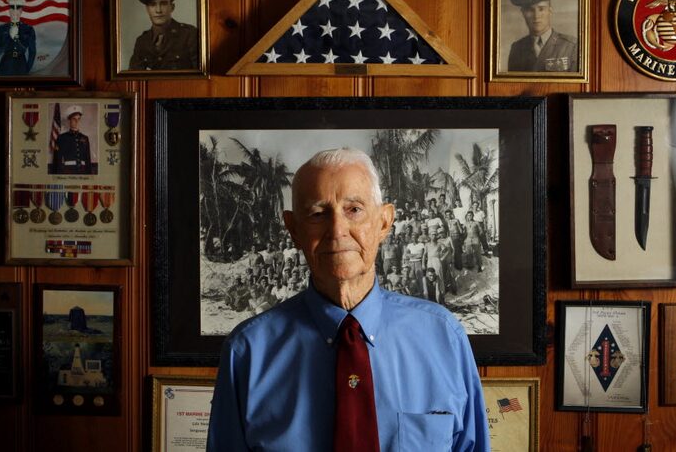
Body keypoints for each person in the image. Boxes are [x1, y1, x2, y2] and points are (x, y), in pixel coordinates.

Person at [208, 147, 489, 451]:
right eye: (317, 214)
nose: (337, 230)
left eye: (354, 209)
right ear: (293, 229)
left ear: (384, 222)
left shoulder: (444, 337)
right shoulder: (247, 352)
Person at [507, 0, 577, 72]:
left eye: (541, 9)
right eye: (530, 10)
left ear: (550, 11)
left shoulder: (571, 46)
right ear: (523, 13)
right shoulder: (517, 49)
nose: (536, 15)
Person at [129, 0, 198, 71]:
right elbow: (133, 77)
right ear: (147, 9)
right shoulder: (142, 42)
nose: (158, 10)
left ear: (172, 7)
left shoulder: (189, 35)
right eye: (153, 5)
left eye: (163, 4)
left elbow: (199, 76)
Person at [0, 0, 36, 75]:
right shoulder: (2, 29)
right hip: (5, 65)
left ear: (21, 11)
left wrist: (27, 69)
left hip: (21, 65)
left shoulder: (28, 29)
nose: (15, 12)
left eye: (18, 9)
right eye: (12, 9)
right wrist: (9, 38)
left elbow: (32, 52)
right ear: (9, 11)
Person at [53, 105, 92, 175]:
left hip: (83, 173)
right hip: (68, 172)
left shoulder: (85, 138)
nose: (77, 121)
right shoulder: (62, 138)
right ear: (69, 120)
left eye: (79, 119)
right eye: (74, 119)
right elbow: (57, 160)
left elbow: (88, 160)